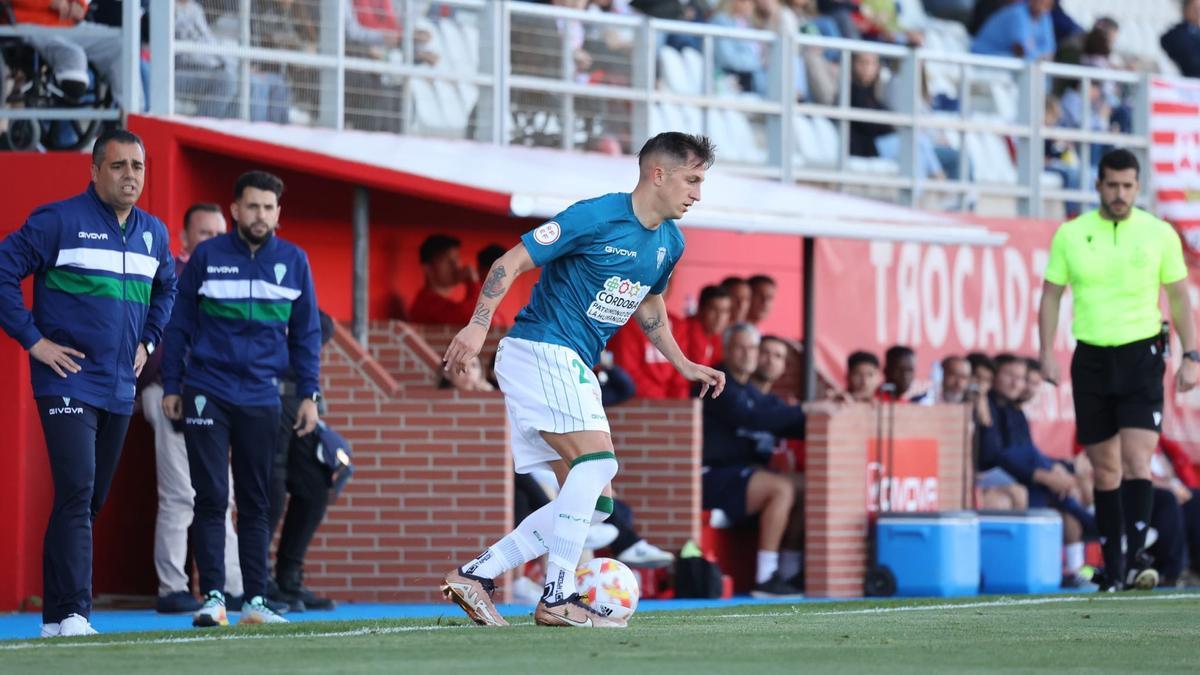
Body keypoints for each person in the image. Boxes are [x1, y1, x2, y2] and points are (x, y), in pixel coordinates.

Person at [438, 132, 723, 628]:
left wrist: (683, 364)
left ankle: (477, 575)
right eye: (692, 180)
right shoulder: (595, 216)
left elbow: (650, 304)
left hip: (573, 364)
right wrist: (479, 324)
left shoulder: (669, 243)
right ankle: (557, 595)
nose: (698, 193)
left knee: (593, 502)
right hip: (541, 349)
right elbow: (512, 261)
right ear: (658, 174)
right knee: (596, 465)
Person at [0, 128, 176, 637]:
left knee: (87, 501)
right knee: (77, 492)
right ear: (95, 171)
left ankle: (55, 619)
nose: (129, 176)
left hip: (120, 385)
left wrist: (148, 341)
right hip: (67, 382)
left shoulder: (154, 234)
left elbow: (166, 289)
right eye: (118, 166)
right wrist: (34, 340)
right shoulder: (59, 220)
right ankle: (77, 612)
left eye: (137, 167)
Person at [162, 170, 322, 627]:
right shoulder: (207, 256)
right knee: (210, 496)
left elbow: (306, 335)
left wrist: (310, 394)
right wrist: (173, 385)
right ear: (235, 210)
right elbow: (179, 327)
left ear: (278, 213)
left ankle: (255, 601)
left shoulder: (294, 260)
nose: (261, 215)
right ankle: (213, 597)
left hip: (261, 395)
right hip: (205, 391)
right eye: (252, 206)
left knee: (256, 501)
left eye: (269, 207)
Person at [1038, 148, 1198, 591]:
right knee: (1104, 469)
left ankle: (1137, 554)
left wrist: (1192, 355)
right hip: (1090, 357)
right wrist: (1046, 351)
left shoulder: (1158, 233)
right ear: (1098, 185)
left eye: (1128, 186)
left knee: (1136, 460)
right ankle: (1114, 565)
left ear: (1138, 186)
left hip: (1142, 357)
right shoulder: (1072, 234)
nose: (1120, 194)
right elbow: (1051, 294)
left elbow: (1181, 297)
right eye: (1112, 185)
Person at [137, 203, 245, 615]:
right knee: (181, 495)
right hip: (173, 392)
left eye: (221, 233)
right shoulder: (172, 276)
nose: (215, 242)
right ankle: (172, 587)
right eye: (205, 234)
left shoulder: (230, 277)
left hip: (216, 397)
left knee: (223, 494)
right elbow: (159, 337)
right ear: (185, 240)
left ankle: (233, 586)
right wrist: (173, 385)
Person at [703, 324, 813, 597]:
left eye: (752, 347)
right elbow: (753, 417)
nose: (747, 354)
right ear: (727, 350)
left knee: (805, 486)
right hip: (711, 476)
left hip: (741, 476)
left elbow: (782, 418)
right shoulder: (718, 381)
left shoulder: (751, 391)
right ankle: (766, 577)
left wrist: (827, 412)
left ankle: (788, 571)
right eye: (740, 347)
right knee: (781, 488)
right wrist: (806, 408)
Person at [267, 310, 338, 612]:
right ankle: (258, 580)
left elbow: (322, 324)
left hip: (300, 402)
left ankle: (288, 576)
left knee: (315, 485)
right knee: (270, 491)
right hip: (264, 400)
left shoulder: (292, 274)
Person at [408, 234, 482, 325]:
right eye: (446, 259)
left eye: (456, 258)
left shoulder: (440, 303)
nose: (455, 265)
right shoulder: (427, 305)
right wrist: (473, 283)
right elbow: (476, 318)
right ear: (428, 268)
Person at [971, 0, 1056, 61]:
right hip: (981, 59)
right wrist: (1038, 55)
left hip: (1001, 64)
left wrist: (1034, 52)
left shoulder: (1045, 17)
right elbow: (1020, 50)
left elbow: (1049, 54)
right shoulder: (1017, 12)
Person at [679, 284, 732, 367]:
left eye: (724, 311)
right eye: (714, 309)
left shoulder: (718, 337)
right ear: (700, 309)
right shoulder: (683, 330)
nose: (719, 317)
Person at [1161, 0, 1200, 79]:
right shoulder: (1176, 35)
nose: (1198, 12)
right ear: (1186, 9)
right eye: (1196, 8)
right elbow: (1192, 62)